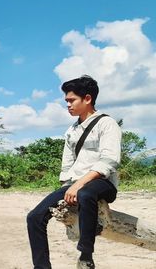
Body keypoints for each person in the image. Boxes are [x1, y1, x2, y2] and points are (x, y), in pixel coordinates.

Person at [26, 75, 121, 269]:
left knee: (86, 193)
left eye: (71, 100)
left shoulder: (107, 124)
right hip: (74, 182)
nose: (68, 105)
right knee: (34, 217)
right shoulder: (72, 130)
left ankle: (86, 256)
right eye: (66, 101)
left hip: (103, 183)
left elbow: (109, 161)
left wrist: (78, 185)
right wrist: (65, 189)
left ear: (87, 98)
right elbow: (67, 163)